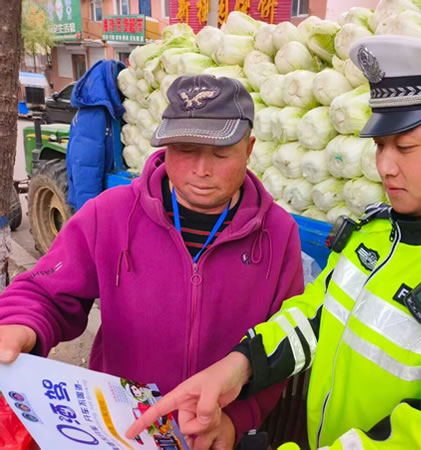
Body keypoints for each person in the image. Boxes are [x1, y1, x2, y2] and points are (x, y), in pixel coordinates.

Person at [128, 36, 421, 449]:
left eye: (406, 147)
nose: (385, 166)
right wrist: (236, 367)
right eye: (380, 145)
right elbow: (315, 315)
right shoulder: (375, 233)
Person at [0, 74, 304, 447]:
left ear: (249, 148)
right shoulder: (110, 214)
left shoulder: (278, 234)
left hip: (212, 432)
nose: (201, 170)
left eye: (221, 153)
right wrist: (20, 324)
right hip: (122, 429)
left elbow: (281, 345)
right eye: (186, 150)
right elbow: (46, 292)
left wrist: (237, 420)